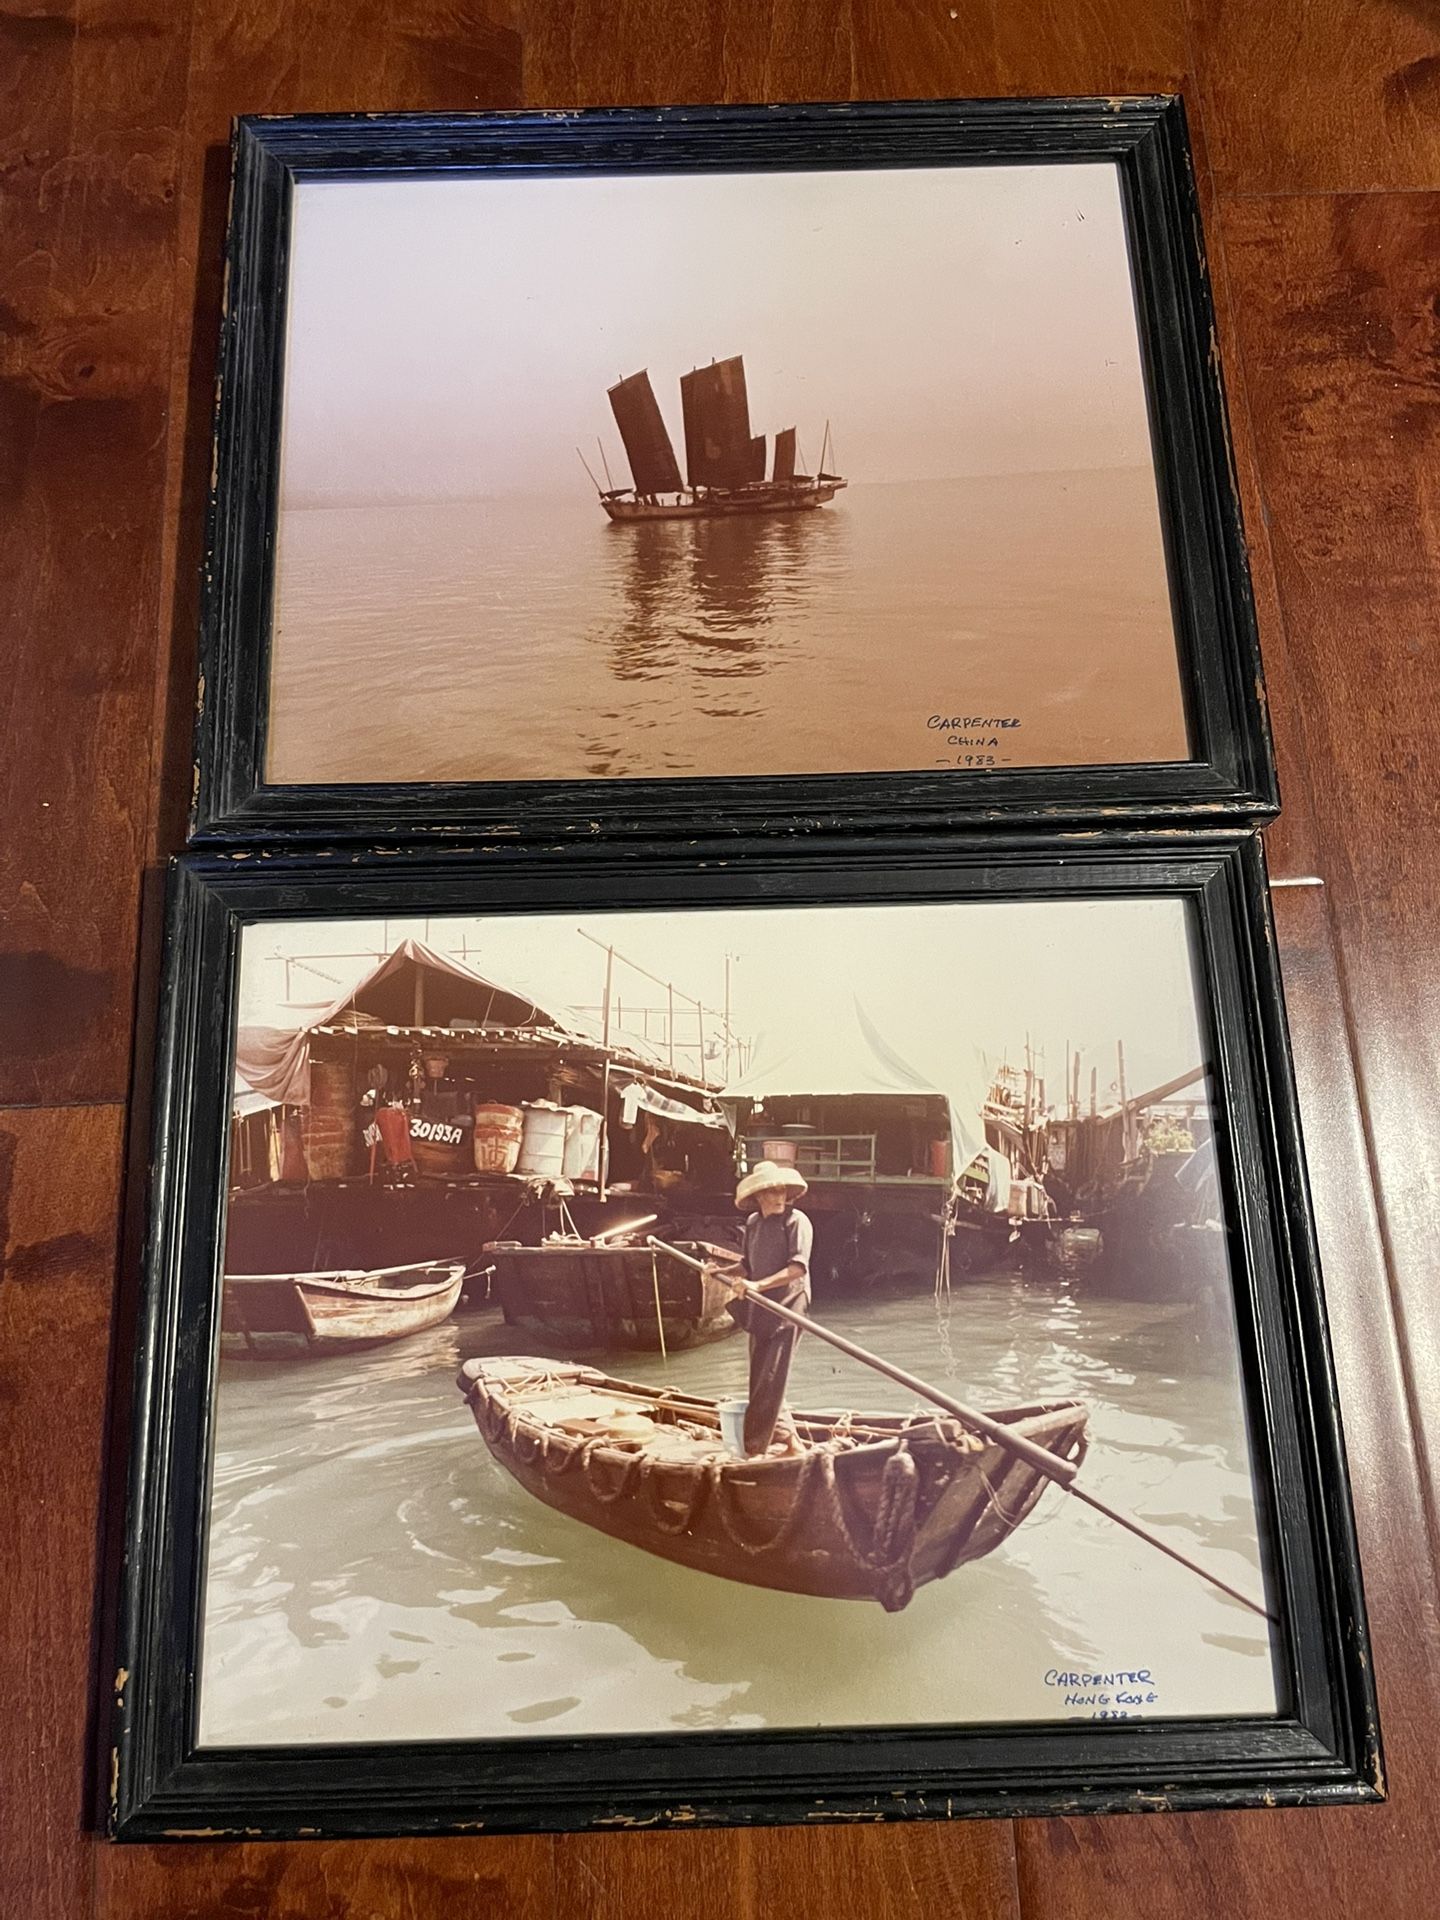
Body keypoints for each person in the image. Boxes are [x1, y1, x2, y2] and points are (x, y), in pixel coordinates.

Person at [723, 1161, 813, 1456]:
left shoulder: (797, 1221)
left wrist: (757, 1286)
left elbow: (797, 1268)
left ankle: (756, 1447)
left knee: (772, 1376)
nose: (779, 1198)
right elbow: (747, 1267)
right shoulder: (753, 1223)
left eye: (782, 1192)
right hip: (760, 1308)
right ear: (759, 1195)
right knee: (761, 1378)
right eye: (772, 1192)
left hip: (788, 1305)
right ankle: (791, 1441)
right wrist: (718, 1271)